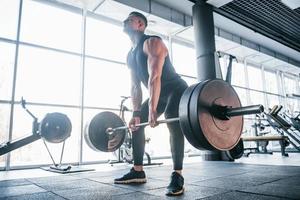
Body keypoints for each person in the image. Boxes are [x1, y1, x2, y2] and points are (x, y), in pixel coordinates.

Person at [114, 11, 188, 196]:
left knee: (172, 118)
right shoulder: (130, 55)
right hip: (159, 93)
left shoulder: (153, 42)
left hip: (175, 89)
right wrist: (137, 112)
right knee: (137, 125)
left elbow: (155, 76)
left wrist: (153, 109)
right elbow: (135, 86)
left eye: (129, 19)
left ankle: (177, 175)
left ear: (140, 24)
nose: (125, 20)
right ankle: (138, 171)